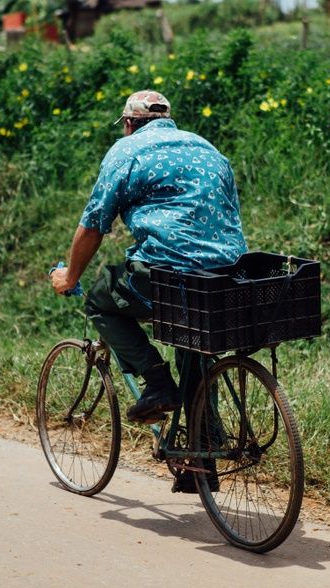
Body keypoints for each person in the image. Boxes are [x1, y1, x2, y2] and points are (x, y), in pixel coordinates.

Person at [50, 89, 247, 428]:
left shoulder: (127, 151)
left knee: (100, 297)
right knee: (192, 340)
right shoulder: (207, 148)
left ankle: (156, 383)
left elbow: (94, 224)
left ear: (129, 124)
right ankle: (202, 453)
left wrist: (70, 277)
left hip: (168, 274)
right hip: (226, 275)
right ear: (168, 121)